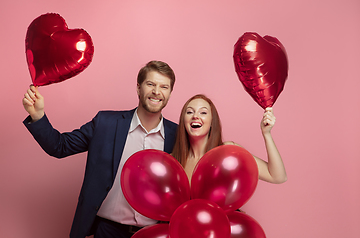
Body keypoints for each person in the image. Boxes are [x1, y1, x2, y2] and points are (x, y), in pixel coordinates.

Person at [22, 61, 178, 238]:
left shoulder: (178, 136)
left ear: (170, 93)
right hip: (107, 231)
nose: (157, 91)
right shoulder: (105, 123)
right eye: (150, 84)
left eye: (164, 87)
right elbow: (60, 146)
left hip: (155, 234)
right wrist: (38, 115)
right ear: (138, 88)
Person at [171, 94, 287, 184]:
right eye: (190, 112)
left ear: (212, 121)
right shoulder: (173, 161)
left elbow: (277, 176)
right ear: (183, 121)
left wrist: (266, 134)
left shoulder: (229, 152)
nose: (195, 116)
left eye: (203, 112)